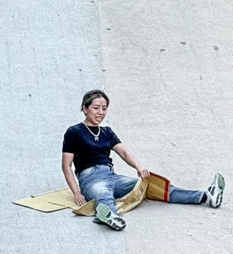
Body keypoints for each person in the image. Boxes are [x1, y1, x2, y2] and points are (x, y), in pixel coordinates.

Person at [61, 90, 224, 231]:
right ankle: (111, 217)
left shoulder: (107, 132)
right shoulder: (74, 132)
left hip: (113, 177)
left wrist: (139, 168)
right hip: (90, 179)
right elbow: (66, 165)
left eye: (104, 109)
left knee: (151, 185)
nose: (100, 112)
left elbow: (123, 152)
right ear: (84, 108)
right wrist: (76, 192)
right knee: (104, 194)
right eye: (96, 108)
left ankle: (205, 197)